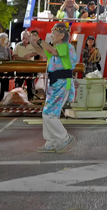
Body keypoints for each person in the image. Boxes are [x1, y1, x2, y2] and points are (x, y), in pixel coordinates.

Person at [29, 22, 78, 152]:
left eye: (53, 32)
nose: (51, 35)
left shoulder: (66, 47)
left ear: (62, 35)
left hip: (61, 83)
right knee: (50, 114)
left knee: (48, 114)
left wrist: (39, 40)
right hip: (56, 84)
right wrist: (34, 42)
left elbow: (52, 51)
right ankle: (52, 142)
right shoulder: (58, 48)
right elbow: (43, 52)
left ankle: (64, 138)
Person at [13, 30, 38, 98]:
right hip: (20, 68)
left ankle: (30, 99)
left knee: (30, 85)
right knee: (18, 85)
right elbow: (14, 55)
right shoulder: (18, 45)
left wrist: (29, 55)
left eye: (26, 38)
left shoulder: (33, 45)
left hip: (30, 68)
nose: (24, 40)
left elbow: (36, 53)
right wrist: (20, 58)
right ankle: (18, 98)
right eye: (23, 38)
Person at [0, 32, 14, 100]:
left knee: (6, 83)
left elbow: (10, 58)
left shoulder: (7, 48)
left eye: (5, 38)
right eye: (2, 38)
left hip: (6, 68)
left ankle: (5, 98)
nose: (4, 40)